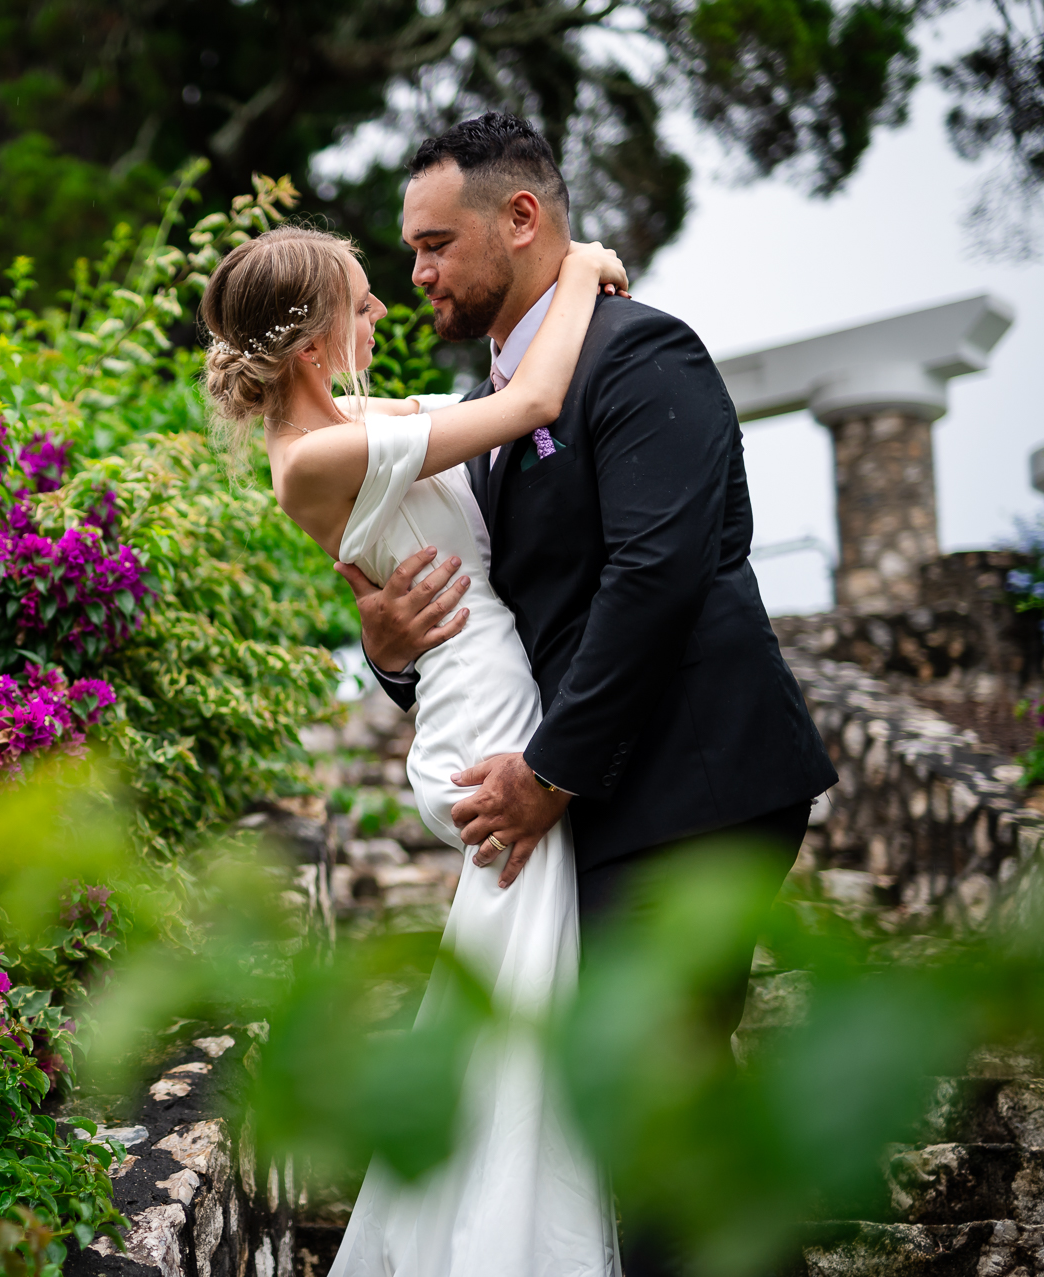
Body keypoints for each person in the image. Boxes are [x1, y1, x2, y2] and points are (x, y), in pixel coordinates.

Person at [338, 112, 840, 1276]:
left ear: (521, 219)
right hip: (607, 800)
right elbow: (495, 625)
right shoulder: (500, 407)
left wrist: (551, 770)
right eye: (410, 251)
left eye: (434, 244)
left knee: (653, 1100)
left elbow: (656, 571)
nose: (417, 274)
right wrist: (391, 648)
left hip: (693, 787)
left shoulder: (643, 352)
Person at [202, 221, 632, 1275]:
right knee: (525, 1003)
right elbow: (528, 406)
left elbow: (492, 399)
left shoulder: (349, 421)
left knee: (524, 991)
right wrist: (580, 266)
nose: (385, 309)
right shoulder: (318, 456)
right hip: (487, 724)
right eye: (362, 299)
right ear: (314, 343)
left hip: (493, 689)